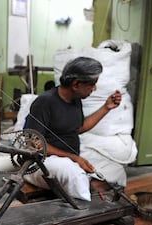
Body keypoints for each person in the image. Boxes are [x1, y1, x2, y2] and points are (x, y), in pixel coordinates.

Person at [23, 56, 122, 201]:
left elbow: (78, 128)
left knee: (116, 170)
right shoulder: (45, 102)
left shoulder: (75, 101)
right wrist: (74, 158)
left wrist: (107, 107)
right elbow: (34, 143)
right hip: (40, 165)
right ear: (76, 84)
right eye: (92, 84)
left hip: (68, 161)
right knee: (71, 172)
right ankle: (85, 213)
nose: (94, 89)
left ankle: (92, 197)